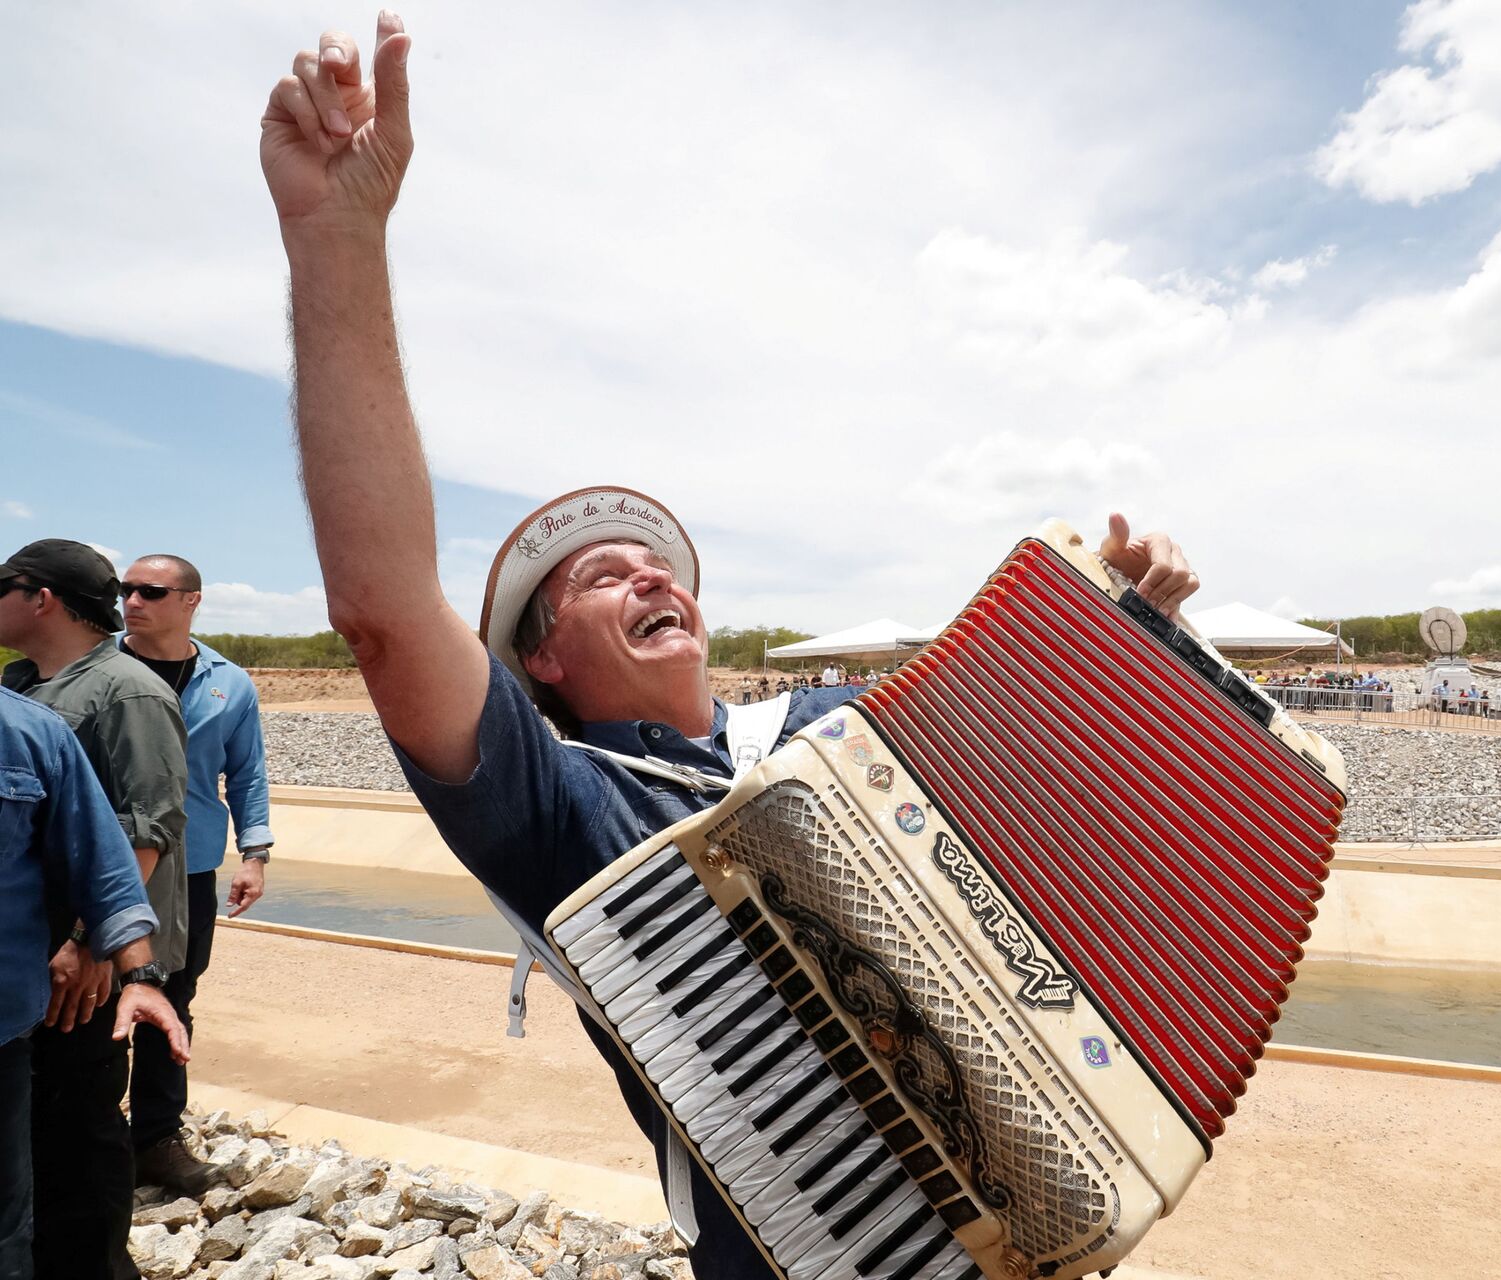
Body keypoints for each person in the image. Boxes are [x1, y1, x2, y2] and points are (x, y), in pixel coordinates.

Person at [258, 18, 1202, 1279]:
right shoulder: (566, 811)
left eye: (660, 567)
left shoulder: (853, 723)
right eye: (600, 578)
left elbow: (1094, 813)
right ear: (540, 661)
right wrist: (337, 241)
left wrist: (1149, 652)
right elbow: (381, 608)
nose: (648, 572)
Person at [0, 541, 189, 1279]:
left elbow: (147, 829)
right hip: (30, 968)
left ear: (40, 597)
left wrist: (90, 944)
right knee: (39, 1134)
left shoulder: (125, 691)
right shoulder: (26, 687)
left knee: (80, 1129)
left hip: (82, 964)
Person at [117, 555, 276, 1191]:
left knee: (174, 996)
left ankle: (154, 1137)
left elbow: (248, 772)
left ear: (191, 601)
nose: (132, 601)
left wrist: (255, 853)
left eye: (150, 591)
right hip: (111, 862)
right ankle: (86, 1130)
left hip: (192, 868)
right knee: (88, 995)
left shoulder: (228, 683)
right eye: (124, 590)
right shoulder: (99, 672)